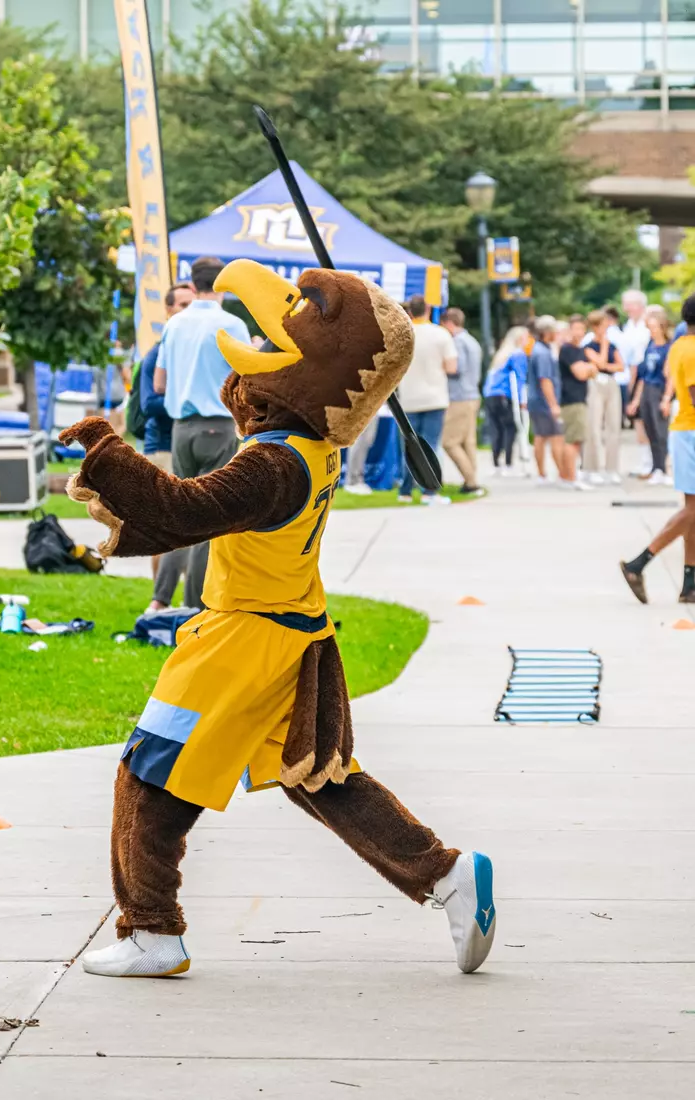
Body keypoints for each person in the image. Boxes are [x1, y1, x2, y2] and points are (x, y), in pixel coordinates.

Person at [59, 259, 495, 980]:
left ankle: (152, 930)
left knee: (149, 778)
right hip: (293, 635)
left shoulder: (272, 466)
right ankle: (445, 875)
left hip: (241, 643)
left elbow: (182, 510)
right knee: (320, 778)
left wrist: (109, 452)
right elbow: (219, 488)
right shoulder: (307, 447)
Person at [151, 256, 249, 610]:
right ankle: (196, 605)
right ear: (222, 284)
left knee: (180, 515)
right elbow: (249, 376)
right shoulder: (231, 324)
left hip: (181, 427)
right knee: (208, 518)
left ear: (192, 286)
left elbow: (158, 383)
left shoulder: (174, 325)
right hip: (218, 425)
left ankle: (160, 599)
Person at [620, 292, 695, 605]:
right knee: (692, 511)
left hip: (684, 430)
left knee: (693, 512)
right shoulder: (692, 350)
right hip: (692, 431)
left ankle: (689, 584)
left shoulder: (679, 345)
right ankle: (639, 562)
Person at [140, 281, 194, 584]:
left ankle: (190, 597)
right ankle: (158, 601)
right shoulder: (157, 354)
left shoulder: (195, 352)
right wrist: (190, 402)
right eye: (182, 305)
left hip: (191, 445)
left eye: (192, 304)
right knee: (165, 526)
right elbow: (149, 404)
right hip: (162, 447)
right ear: (169, 310)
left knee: (193, 525)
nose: (188, 311)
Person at [396, 295, 457, 504]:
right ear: (429, 309)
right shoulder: (441, 334)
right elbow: (452, 367)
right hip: (435, 397)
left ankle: (404, 491)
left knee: (410, 446)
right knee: (431, 445)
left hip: (409, 398)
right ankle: (429, 492)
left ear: (410, 311)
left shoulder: (403, 334)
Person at [626, 305, 672, 486]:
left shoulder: (668, 348)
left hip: (659, 390)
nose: (651, 331)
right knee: (650, 431)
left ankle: (663, 468)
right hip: (647, 391)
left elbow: (670, 376)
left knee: (661, 432)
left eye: (654, 327)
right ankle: (655, 468)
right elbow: (643, 377)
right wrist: (636, 400)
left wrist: (667, 398)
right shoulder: (649, 347)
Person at [440, 307, 483, 495]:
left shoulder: (457, 342)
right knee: (468, 442)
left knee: (449, 441)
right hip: (472, 394)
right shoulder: (472, 341)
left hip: (459, 397)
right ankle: (470, 479)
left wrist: (441, 365)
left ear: (449, 323)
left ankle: (471, 481)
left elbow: (457, 368)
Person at [581, 309, 625, 485]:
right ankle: (591, 467)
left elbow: (620, 366)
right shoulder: (588, 346)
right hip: (595, 384)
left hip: (611, 383)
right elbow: (599, 362)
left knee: (613, 425)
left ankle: (611, 468)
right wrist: (604, 346)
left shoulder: (613, 345)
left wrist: (607, 364)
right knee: (594, 426)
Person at [558, 314, 598, 489]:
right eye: (576, 328)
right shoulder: (567, 350)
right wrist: (589, 368)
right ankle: (570, 477)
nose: (579, 332)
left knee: (576, 439)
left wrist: (589, 368)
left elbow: (595, 368)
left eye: (582, 329)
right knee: (573, 439)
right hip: (571, 399)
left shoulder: (580, 350)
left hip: (580, 397)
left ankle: (569, 476)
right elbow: (581, 373)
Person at [482, 326, 528, 476]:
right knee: (510, 428)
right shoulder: (517, 354)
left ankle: (496, 463)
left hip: (490, 395)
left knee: (497, 429)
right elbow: (520, 377)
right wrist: (522, 399)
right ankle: (508, 463)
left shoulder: (501, 354)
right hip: (504, 395)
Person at [526, 315, 565, 485]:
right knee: (555, 436)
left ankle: (542, 474)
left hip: (536, 399)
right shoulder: (542, 353)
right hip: (543, 401)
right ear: (546, 332)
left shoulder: (540, 349)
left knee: (540, 436)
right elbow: (545, 380)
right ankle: (563, 473)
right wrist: (553, 404)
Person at [620, 289, 653, 475]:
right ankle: (644, 461)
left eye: (629, 304)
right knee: (637, 421)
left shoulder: (646, 326)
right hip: (628, 376)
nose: (626, 308)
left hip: (643, 377)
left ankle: (650, 462)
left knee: (646, 421)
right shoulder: (628, 326)